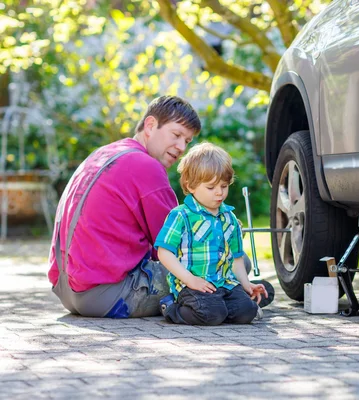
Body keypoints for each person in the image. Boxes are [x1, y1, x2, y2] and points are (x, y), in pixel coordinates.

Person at [48, 95, 273, 318]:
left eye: (187, 141)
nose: (181, 147)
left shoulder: (104, 154)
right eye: (176, 135)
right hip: (108, 293)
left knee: (221, 265)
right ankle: (223, 299)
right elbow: (179, 246)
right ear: (150, 125)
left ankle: (235, 295)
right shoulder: (147, 167)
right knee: (233, 260)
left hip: (68, 289)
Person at [155, 142, 268, 325]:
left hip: (223, 283)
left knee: (247, 311)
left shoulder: (229, 218)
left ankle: (222, 307)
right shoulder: (181, 215)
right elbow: (164, 252)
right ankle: (171, 307)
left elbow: (237, 258)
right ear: (191, 186)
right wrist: (190, 280)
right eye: (211, 187)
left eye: (224, 186)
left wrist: (246, 284)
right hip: (191, 285)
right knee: (211, 314)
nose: (219, 193)